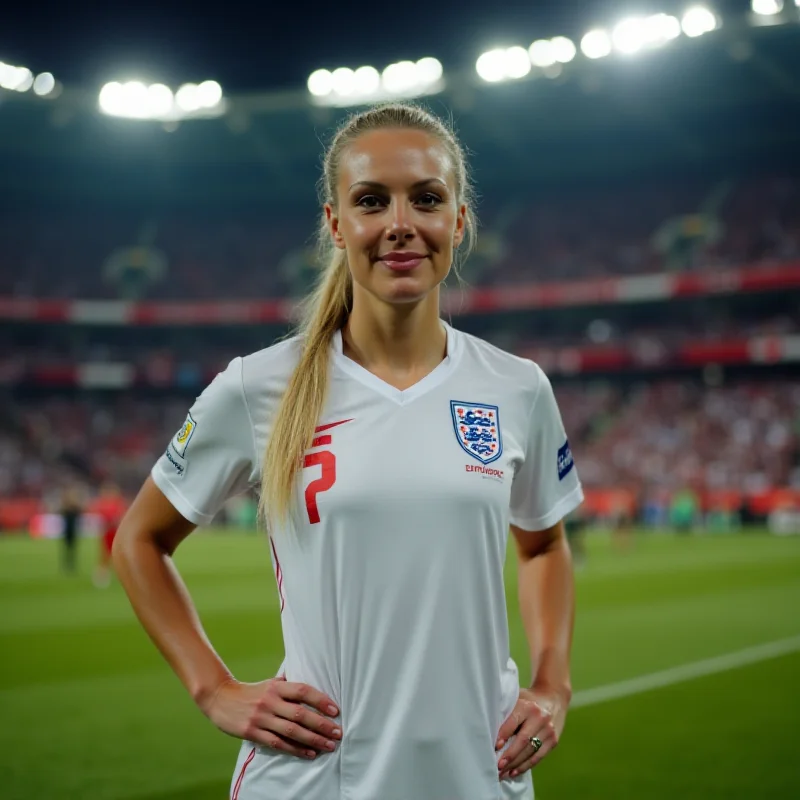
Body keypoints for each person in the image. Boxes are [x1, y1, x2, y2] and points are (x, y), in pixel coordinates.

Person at [113, 102, 583, 800]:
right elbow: (139, 540)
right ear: (336, 224)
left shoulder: (516, 387)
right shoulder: (258, 386)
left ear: (458, 220)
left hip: (483, 773)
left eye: (426, 199)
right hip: (314, 777)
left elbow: (543, 545)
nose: (400, 223)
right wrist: (212, 687)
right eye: (371, 201)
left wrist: (553, 683)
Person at [89, 481, 128, 588]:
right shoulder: (103, 504)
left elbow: (122, 515)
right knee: (105, 555)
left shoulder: (118, 503)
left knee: (118, 554)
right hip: (107, 532)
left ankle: (119, 575)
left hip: (116, 532)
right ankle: (101, 575)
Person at [59, 484, 84, 574]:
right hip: (67, 530)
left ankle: (71, 563)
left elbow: (80, 512)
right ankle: (68, 563)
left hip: (73, 530)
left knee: (72, 548)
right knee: (67, 548)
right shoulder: (66, 509)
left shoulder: (74, 509)